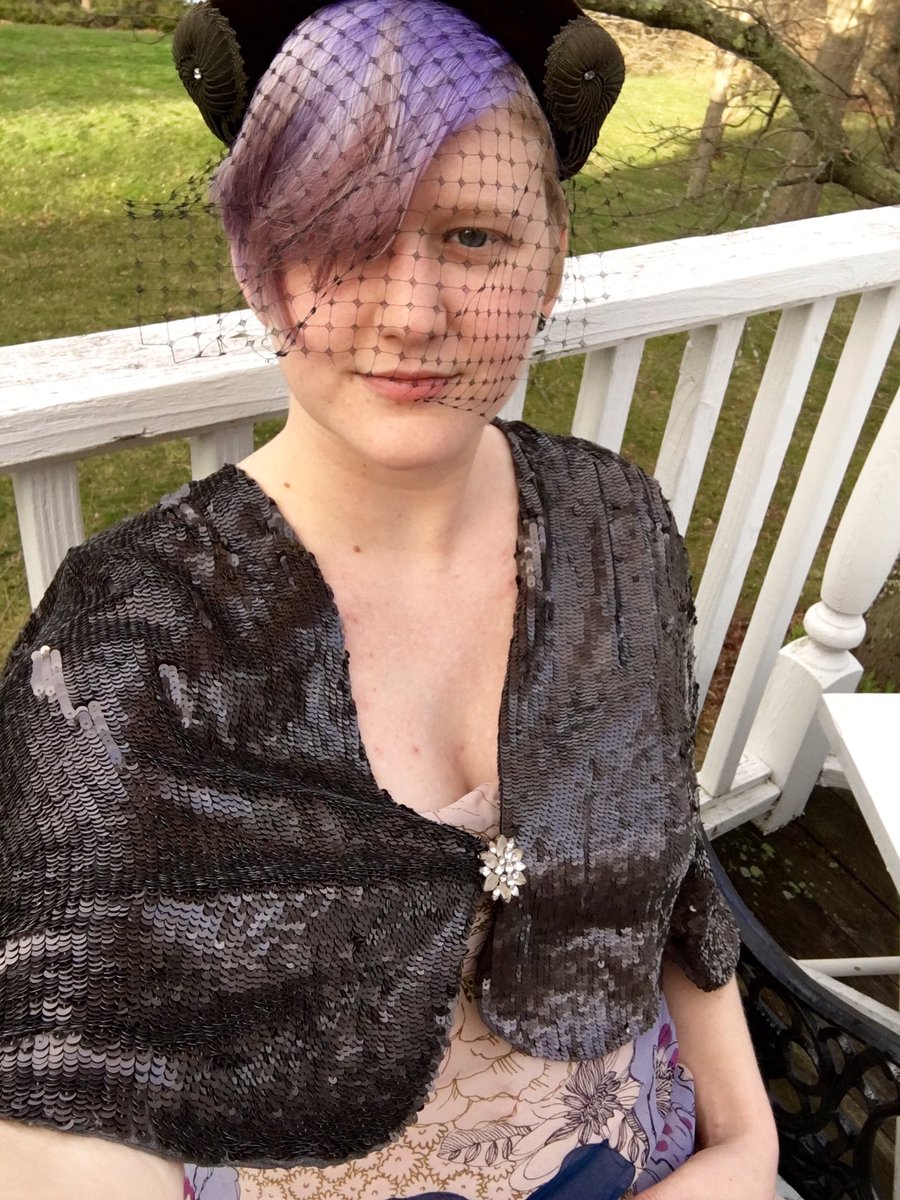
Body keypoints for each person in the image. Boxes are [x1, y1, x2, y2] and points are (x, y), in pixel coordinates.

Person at [0, 1, 780, 1197]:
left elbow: (665, 859)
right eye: (341, 235)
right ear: (259, 265)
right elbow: (56, 1063)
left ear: (550, 257)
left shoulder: (614, 524)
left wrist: (745, 1144)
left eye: (473, 236)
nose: (412, 313)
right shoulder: (135, 634)